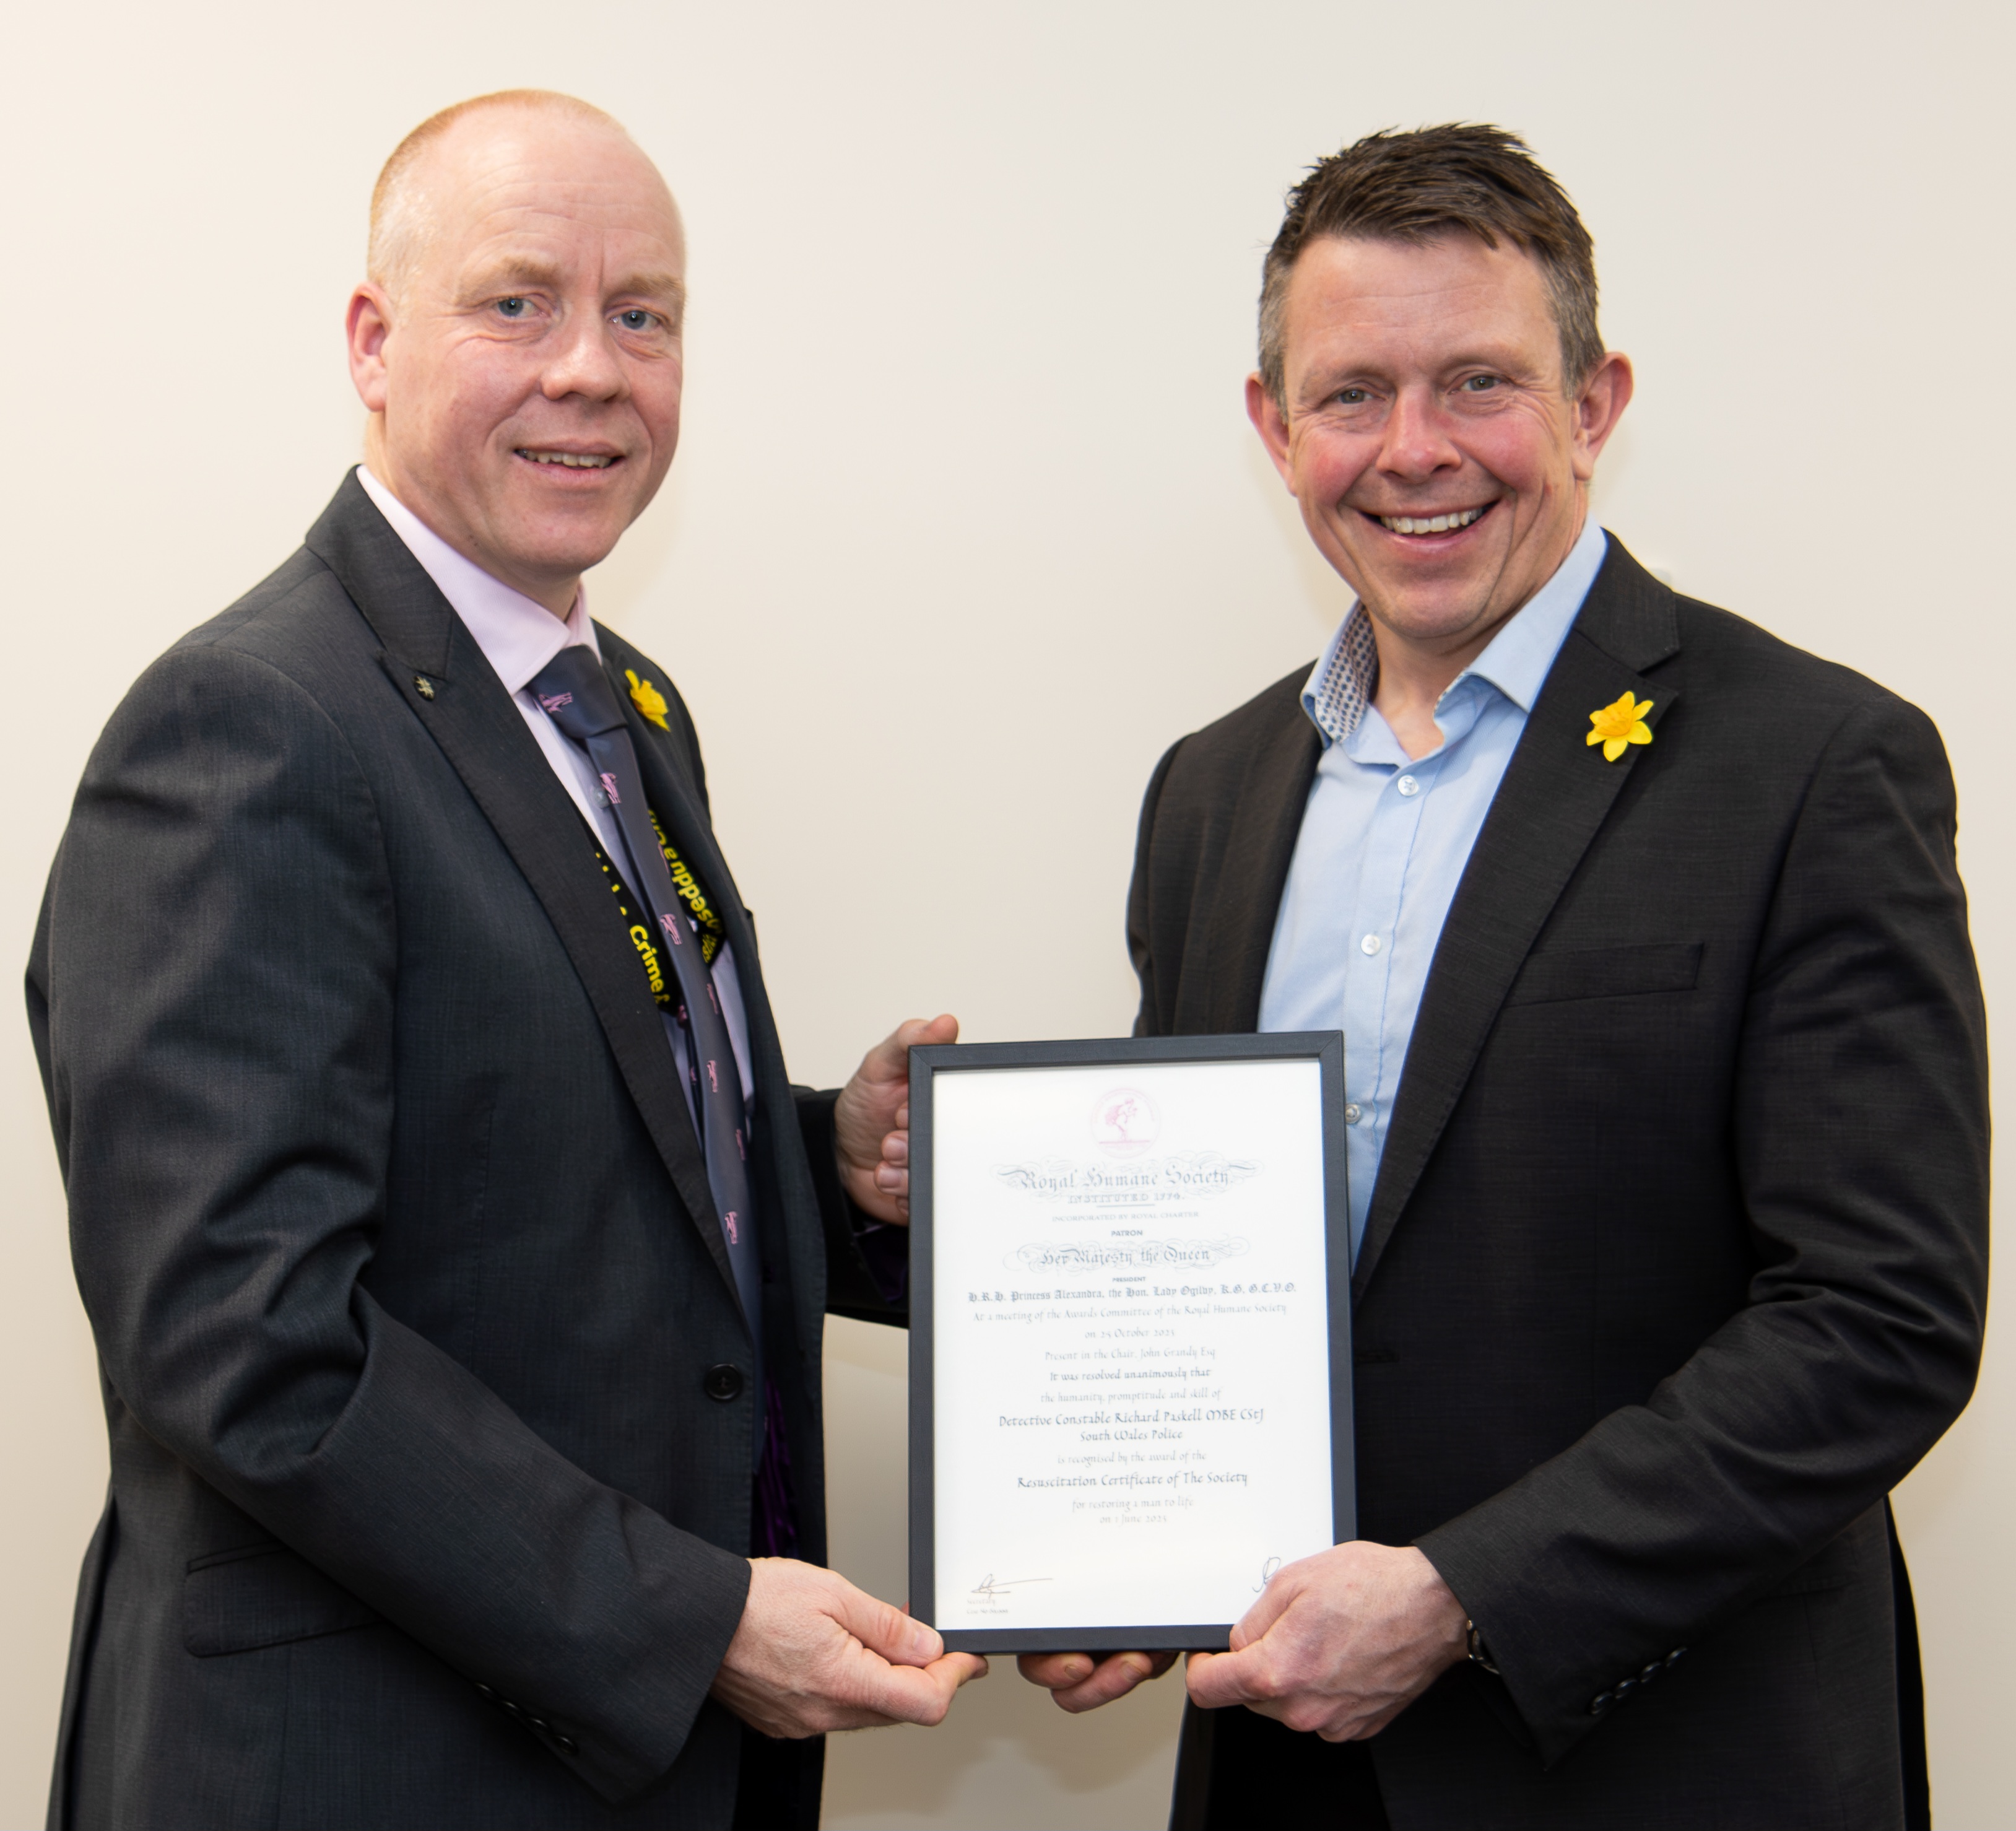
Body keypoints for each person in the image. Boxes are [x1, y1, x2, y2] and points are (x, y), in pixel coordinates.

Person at [28, 89, 981, 1831]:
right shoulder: (249, 722)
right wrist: (685, 1616)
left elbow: (544, 1136)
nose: (592, 370)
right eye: (518, 302)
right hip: (376, 1767)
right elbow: (245, 1333)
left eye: (644, 316)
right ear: (375, 344)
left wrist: (816, 1155)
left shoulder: (625, 711)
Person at [1017, 124, 1988, 1831]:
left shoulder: (1816, 765)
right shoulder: (1212, 792)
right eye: (1351, 394)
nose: (1414, 452)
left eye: (1479, 382)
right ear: (1273, 427)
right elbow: (1198, 1256)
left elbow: (1879, 1321)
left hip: (1674, 1764)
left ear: (1594, 403)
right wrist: (1131, 1541)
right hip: (1292, 1770)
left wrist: (1465, 1595)